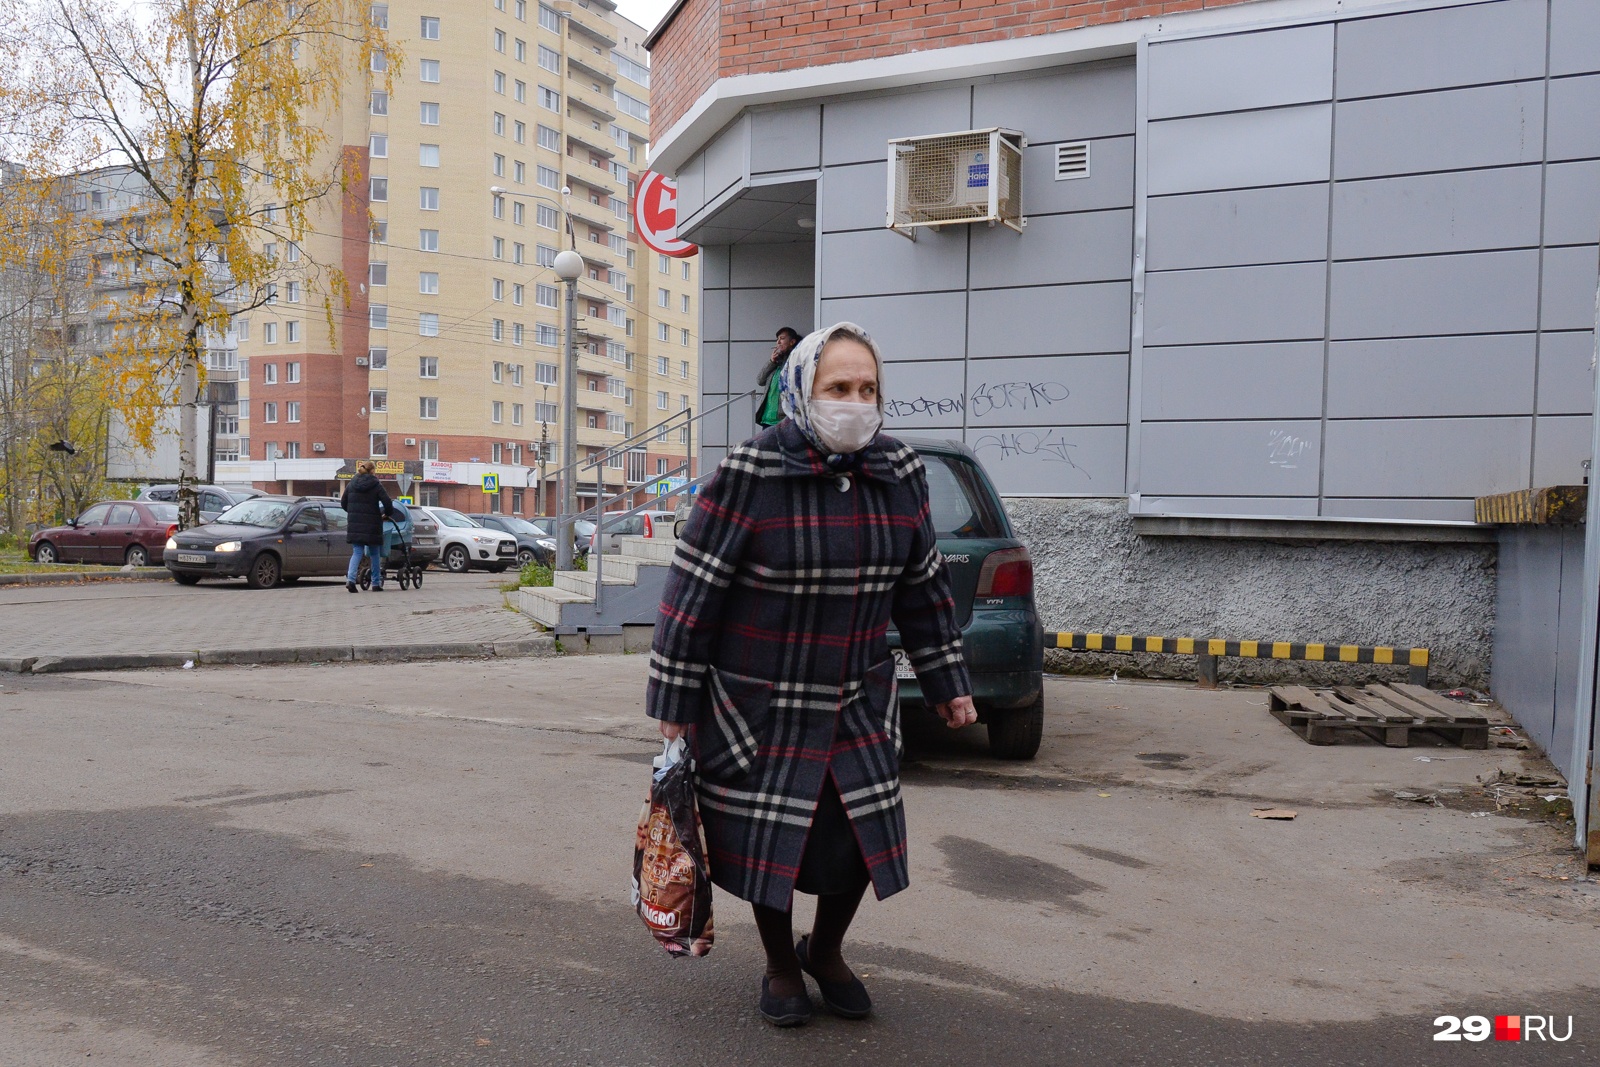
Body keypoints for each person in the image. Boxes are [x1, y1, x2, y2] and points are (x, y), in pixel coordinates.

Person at [647, 321, 977, 1027]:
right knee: (774, 845)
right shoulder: (751, 471)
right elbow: (692, 593)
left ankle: (825, 949)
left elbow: (922, 587)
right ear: (802, 392)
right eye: (838, 388)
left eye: (867, 389)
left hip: (858, 698)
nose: (854, 402)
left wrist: (948, 684)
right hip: (760, 699)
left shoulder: (899, 471)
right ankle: (780, 963)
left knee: (859, 842)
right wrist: (673, 702)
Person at [340, 461, 392, 592]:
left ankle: (350, 580)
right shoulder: (376, 484)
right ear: (373, 471)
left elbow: (343, 502)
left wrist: (353, 513)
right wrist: (386, 514)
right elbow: (387, 502)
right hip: (373, 523)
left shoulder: (351, 483)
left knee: (357, 552)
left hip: (355, 523)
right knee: (375, 553)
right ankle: (376, 583)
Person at [754, 326, 802, 428]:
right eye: (777, 339)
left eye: (782, 338)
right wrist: (771, 362)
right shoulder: (775, 364)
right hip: (767, 419)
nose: (778, 342)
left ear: (792, 342)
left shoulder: (795, 361)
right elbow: (760, 380)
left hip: (784, 420)